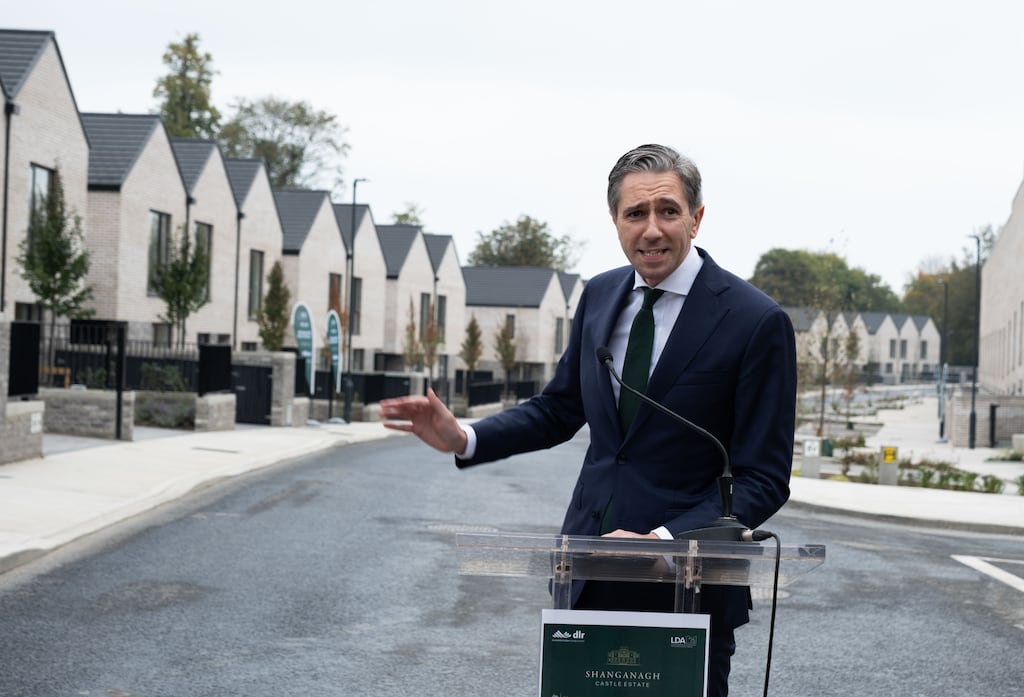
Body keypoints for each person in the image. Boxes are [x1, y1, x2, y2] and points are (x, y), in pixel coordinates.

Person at [380, 143, 797, 697]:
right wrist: (466, 436)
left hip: (690, 589)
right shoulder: (600, 296)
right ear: (615, 222)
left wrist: (665, 543)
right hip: (587, 567)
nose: (652, 229)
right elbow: (559, 409)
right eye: (635, 214)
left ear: (696, 218)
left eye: (668, 211)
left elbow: (762, 477)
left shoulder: (755, 321)